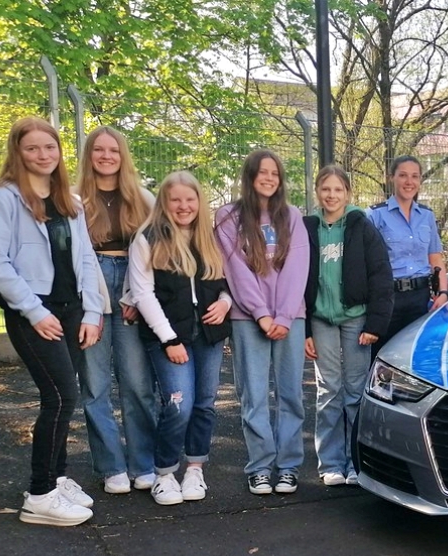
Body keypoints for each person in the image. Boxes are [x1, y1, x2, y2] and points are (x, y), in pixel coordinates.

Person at [0, 117, 102, 525]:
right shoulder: (3, 198)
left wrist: (92, 311)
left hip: (71, 310)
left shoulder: (71, 201)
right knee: (61, 397)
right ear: (18, 152)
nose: (42, 155)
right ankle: (40, 493)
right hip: (34, 312)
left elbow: (85, 258)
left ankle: (58, 477)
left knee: (70, 396)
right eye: (32, 148)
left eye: (49, 147)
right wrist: (34, 311)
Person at [129, 172, 232, 505]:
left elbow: (228, 282)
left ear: (199, 202)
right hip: (169, 338)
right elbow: (143, 295)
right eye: (176, 200)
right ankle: (164, 473)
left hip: (208, 335)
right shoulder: (147, 238)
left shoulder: (210, 237)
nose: (184, 206)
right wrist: (169, 340)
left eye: (190, 199)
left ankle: (195, 469)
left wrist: (225, 302)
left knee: (204, 403)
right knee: (178, 404)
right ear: (164, 202)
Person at [215, 150, 310, 496]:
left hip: (289, 318)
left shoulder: (293, 216)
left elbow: (297, 269)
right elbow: (235, 269)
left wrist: (282, 316)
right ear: (250, 176)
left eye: (275, 173)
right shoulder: (227, 218)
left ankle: (287, 467)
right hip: (247, 317)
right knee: (253, 396)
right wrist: (261, 313)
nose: (269, 178)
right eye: (262, 173)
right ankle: (259, 467)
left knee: (290, 395)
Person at [76, 125, 161, 494]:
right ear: (89, 155)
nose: (106, 156)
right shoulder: (73, 198)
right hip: (90, 286)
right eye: (99, 150)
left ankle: (143, 463)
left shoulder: (142, 198)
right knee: (94, 385)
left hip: (132, 284)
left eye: (113, 150)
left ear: (123, 155)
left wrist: (134, 297)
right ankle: (111, 467)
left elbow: (157, 251)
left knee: (138, 383)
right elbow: (73, 256)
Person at [303, 165, 394, 486]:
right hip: (321, 319)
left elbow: (381, 275)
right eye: (325, 190)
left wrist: (375, 324)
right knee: (329, 391)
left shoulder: (361, 226)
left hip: (356, 318)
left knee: (355, 391)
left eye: (338, 190)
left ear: (348, 194)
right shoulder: (308, 228)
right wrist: (306, 331)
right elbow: (298, 280)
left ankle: (356, 462)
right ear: (317, 193)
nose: (331, 195)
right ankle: (330, 463)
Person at [367, 156, 448, 355]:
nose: (409, 182)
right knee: (383, 355)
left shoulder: (426, 216)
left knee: (417, 355)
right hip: (388, 298)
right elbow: (365, 262)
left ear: (420, 181)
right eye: (402, 175)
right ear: (391, 178)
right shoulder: (375, 215)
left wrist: (444, 293)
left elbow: (435, 257)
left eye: (414, 176)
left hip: (420, 299)